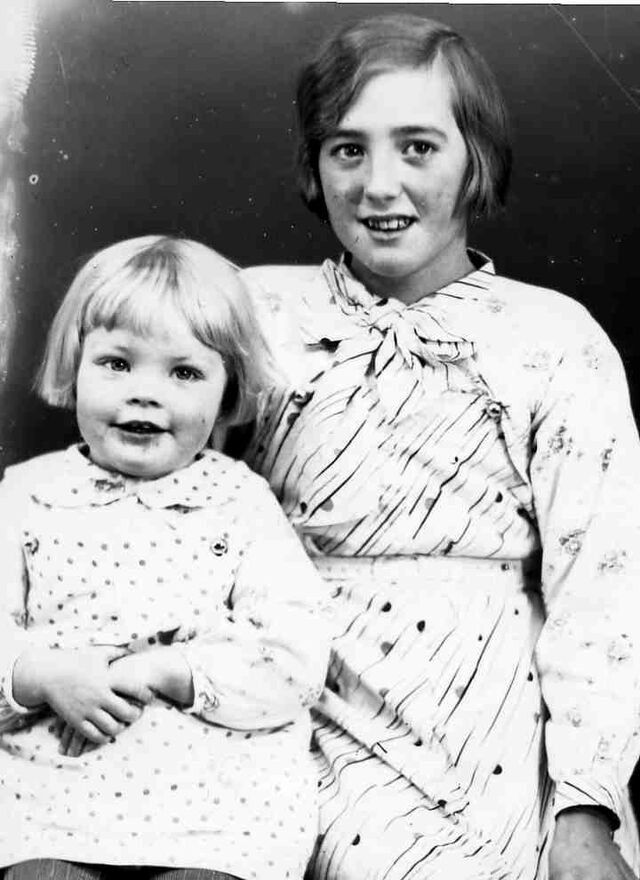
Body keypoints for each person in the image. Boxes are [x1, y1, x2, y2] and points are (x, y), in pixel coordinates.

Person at [237, 14, 640, 880]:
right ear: (314, 164)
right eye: (347, 150)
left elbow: (603, 593)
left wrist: (586, 803)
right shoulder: (251, 314)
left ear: (476, 159)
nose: (379, 184)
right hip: (288, 714)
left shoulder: (553, 338)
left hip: (493, 736)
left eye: (417, 147)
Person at [0, 235, 330, 880]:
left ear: (226, 393)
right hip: (52, 805)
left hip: (219, 817)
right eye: (117, 363)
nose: (145, 394)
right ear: (74, 367)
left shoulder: (240, 502)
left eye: (184, 373)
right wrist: (41, 674)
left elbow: (294, 654)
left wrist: (174, 670)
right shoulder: (28, 496)